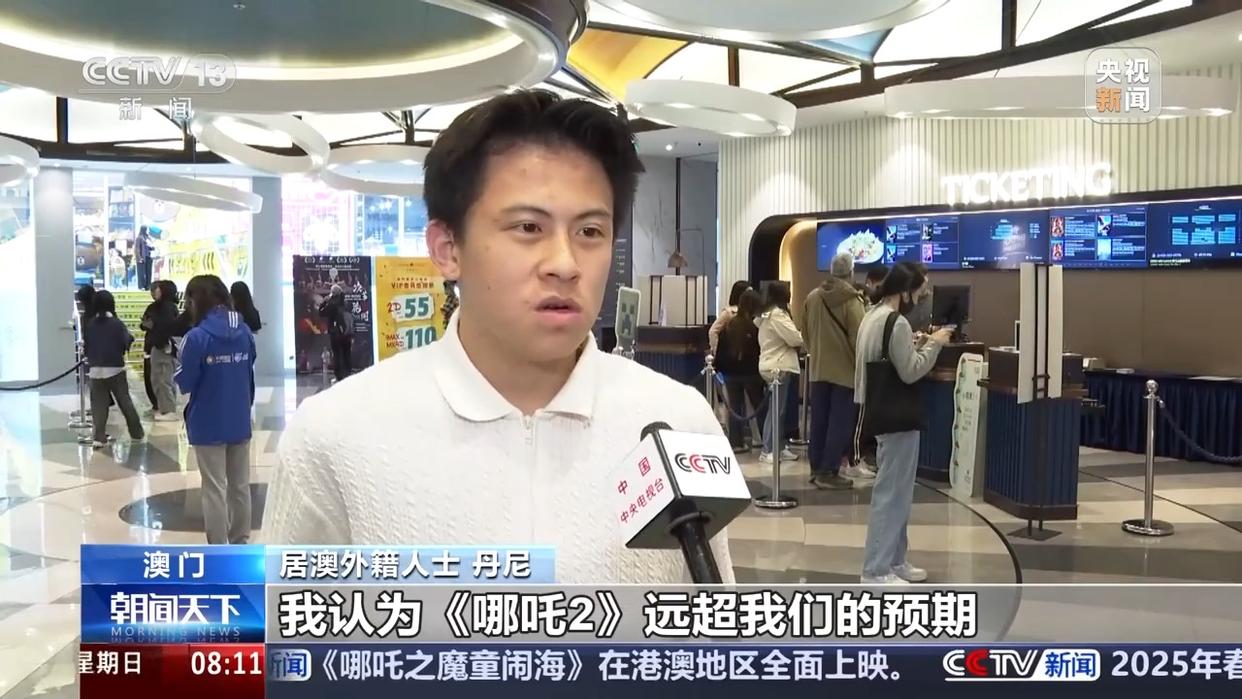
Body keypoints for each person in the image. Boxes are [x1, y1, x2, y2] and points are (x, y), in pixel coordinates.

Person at [263, 89, 732, 584]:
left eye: (590, 232)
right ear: (448, 249)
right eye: (528, 227)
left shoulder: (678, 421)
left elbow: (719, 621)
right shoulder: (334, 437)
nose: (565, 264)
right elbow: (283, 626)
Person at [855, 262, 953, 584]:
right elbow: (910, 371)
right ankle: (876, 569)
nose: (920, 298)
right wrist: (935, 343)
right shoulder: (895, 322)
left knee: (897, 492)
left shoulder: (872, 315)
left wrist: (916, 343)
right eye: (919, 292)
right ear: (906, 291)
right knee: (892, 494)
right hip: (898, 418)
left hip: (879, 411)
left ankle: (895, 560)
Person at [174, 275, 257, 545]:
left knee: (214, 489)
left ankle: (219, 548)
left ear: (195, 301)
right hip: (239, 419)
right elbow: (249, 369)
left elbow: (185, 382)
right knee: (240, 487)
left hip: (207, 422)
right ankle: (241, 542)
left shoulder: (196, 338)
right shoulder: (244, 332)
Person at [803, 253, 866, 490]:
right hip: (844, 372)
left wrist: (817, 352)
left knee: (819, 421)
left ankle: (816, 467)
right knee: (840, 423)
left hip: (818, 370)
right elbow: (859, 339)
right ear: (851, 272)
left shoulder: (812, 297)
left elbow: (805, 332)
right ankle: (829, 471)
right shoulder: (852, 301)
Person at [83, 291, 144, 448]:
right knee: (125, 401)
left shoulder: (90, 324)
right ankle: (136, 433)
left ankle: (99, 437)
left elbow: (87, 346)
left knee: (99, 405)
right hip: (115, 368)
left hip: (95, 370)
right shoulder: (116, 324)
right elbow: (125, 341)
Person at [714, 289, 766, 453]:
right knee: (760, 407)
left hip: (730, 374)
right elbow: (758, 351)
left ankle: (736, 442)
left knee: (735, 407)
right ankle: (767, 440)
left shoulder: (730, 324)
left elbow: (721, 348)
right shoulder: (754, 328)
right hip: (751, 374)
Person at [755, 282, 802, 464]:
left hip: (770, 363)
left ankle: (778, 447)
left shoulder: (766, 315)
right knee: (776, 410)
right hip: (778, 366)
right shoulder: (778, 316)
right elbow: (795, 339)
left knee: (778, 410)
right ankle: (768, 449)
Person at [141, 280, 181, 422]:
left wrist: (159, 336)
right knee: (160, 378)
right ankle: (164, 406)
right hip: (158, 345)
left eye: (158, 289)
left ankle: (168, 410)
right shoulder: (160, 307)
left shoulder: (167, 308)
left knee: (162, 378)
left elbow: (165, 327)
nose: (155, 292)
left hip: (163, 346)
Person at [318, 285, 353, 382]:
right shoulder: (346, 302)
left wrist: (324, 302)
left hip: (335, 333)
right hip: (347, 332)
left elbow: (321, 313)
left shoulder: (331, 304)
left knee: (337, 354)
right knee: (347, 353)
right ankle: (348, 374)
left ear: (332, 293)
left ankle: (338, 377)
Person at [708, 280, 752, 356]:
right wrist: (716, 351)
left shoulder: (751, 312)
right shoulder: (729, 312)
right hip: (732, 352)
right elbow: (713, 331)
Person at [135, 226, 153, 290]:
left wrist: (152, 247)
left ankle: (148, 285)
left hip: (149, 257)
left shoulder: (148, 238)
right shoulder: (139, 238)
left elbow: (151, 247)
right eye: (147, 229)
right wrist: (139, 257)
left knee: (148, 272)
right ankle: (141, 286)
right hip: (142, 257)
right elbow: (137, 248)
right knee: (141, 272)